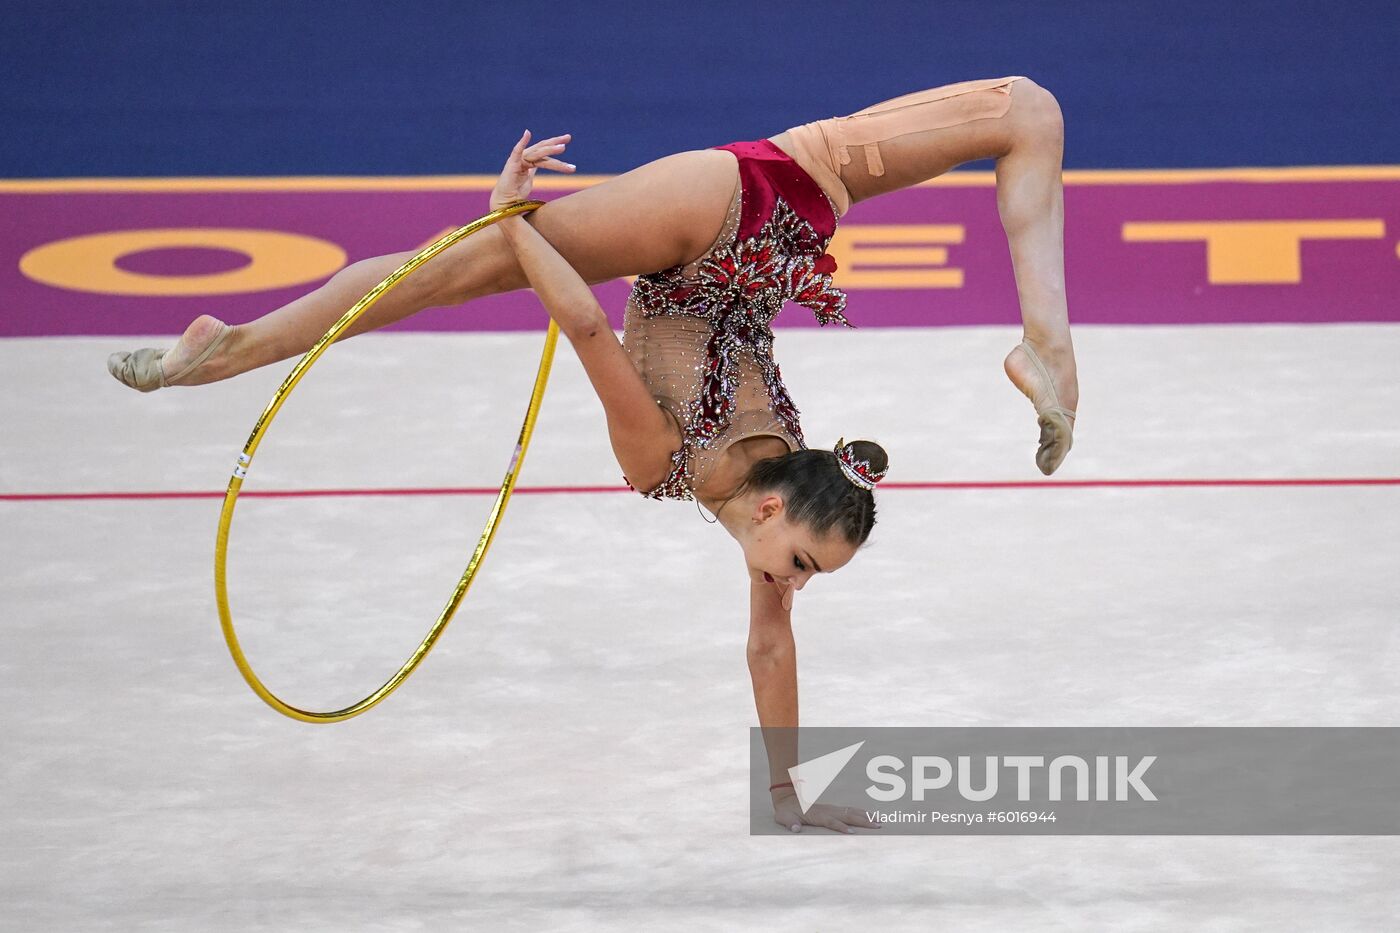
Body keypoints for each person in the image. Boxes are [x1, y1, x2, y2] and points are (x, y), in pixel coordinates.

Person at [107, 76, 1078, 833]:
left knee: (1026, 112)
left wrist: (787, 794)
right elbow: (571, 317)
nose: (796, 587)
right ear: (777, 512)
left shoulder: (748, 488)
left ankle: (1043, 347)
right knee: (464, 264)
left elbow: (767, 643)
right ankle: (228, 349)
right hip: (731, 212)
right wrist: (510, 219)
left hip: (772, 213)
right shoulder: (664, 466)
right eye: (804, 567)